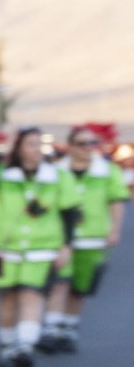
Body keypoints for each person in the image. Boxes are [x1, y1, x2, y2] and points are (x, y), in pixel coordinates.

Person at [39, 121, 125, 352]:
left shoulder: (108, 171)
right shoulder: (56, 171)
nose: (88, 147)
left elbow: (116, 202)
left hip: (93, 237)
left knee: (80, 287)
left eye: (92, 143)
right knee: (59, 283)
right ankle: (51, 329)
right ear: (69, 146)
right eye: (82, 143)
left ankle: (69, 328)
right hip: (60, 238)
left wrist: (115, 229)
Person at [0, 126, 60, 367]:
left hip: (40, 248)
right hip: (6, 248)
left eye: (39, 144)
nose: (36, 149)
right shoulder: (4, 173)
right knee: (9, 299)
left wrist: (66, 246)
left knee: (31, 295)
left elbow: (69, 212)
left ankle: (25, 347)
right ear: (19, 148)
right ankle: (7, 348)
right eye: (30, 144)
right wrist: (1, 156)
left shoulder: (56, 175)